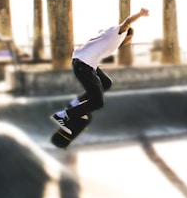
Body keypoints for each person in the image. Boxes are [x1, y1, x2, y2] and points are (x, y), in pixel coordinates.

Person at [50, 8, 150, 136]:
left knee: (106, 83)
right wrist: (140, 15)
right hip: (83, 66)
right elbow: (127, 22)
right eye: (129, 40)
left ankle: (75, 104)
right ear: (128, 35)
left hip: (83, 63)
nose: (128, 43)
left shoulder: (109, 35)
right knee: (97, 102)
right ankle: (62, 116)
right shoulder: (119, 32)